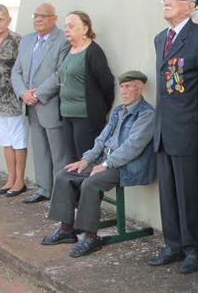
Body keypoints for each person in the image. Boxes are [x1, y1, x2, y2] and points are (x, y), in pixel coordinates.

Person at [40, 70, 155, 257]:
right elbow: (101, 140)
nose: (123, 92)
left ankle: (91, 237)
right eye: (122, 88)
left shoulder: (146, 114)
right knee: (65, 175)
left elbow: (133, 147)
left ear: (139, 88)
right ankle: (67, 230)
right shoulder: (119, 111)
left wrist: (106, 164)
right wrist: (86, 160)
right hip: (105, 161)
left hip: (126, 167)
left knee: (91, 183)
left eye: (128, 87)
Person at [148, 0, 198, 274]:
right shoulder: (160, 37)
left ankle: (194, 250)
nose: (166, 2)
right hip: (164, 131)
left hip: (190, 132)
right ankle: (173, 245)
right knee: (169, 195)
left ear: (190, 6)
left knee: (190, 195)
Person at [11, 3, 74, 204]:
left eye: (43, 16)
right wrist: (23, 93)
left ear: (54, 18)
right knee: (39, 150)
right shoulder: (27, 40)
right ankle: (44, 189)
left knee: (58, 154)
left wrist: (37, 94)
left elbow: (60, 73)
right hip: (30, 105)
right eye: (36, 15)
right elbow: (16, 71)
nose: (38, 19)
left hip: (49, 104)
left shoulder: (63, 40)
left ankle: (61, 194)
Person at [0, 4, 28, 197]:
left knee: (18, 140)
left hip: (13, 98)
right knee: (5, 140)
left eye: (2, 19)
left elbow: (23, 69)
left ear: (9, 20)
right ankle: (10, 178)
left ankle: (20, 180)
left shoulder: (16, 40)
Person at [59, 11, 114, 160]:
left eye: (71, 26)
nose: (66, 29)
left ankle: (84, 185)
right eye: (65, 26)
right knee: (71, 161)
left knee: (84, 162)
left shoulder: (93, 52)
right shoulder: (68, 50)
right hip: (67, 116)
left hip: (85, 118)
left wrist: (101, 108)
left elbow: (107, 85)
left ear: (85, 28)